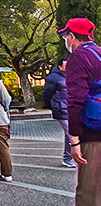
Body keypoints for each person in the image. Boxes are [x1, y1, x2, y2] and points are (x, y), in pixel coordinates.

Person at [58, 18, 101, 205]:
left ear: (72, 36)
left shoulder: (78, 57)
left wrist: (74, 139)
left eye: (66, 36)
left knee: (89, 193)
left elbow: (76, 100)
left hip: (93, 133)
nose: (66, 41)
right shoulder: (99, 52)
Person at [43, 58, 76, 168]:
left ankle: (68, 156)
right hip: (61, 109)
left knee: (70, 134)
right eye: (66, 65)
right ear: (60, 66)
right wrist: (52, 107)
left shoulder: (72, 75)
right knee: (70, 133)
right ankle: (68, 158)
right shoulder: (53, 78)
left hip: (71, 108)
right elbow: (47, 94)